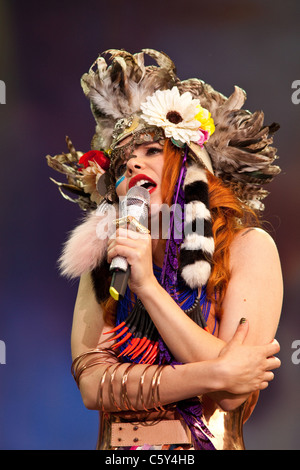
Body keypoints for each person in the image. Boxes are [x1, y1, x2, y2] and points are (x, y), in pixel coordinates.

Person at [47, 49, 283, 450]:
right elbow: (91, 385)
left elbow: (232, 397)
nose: (133, 168)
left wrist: (149, 289)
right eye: (121, 167)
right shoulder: (106, 261)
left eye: (152, 152)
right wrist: (214, 373)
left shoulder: (249, 248)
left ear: (190, 167)